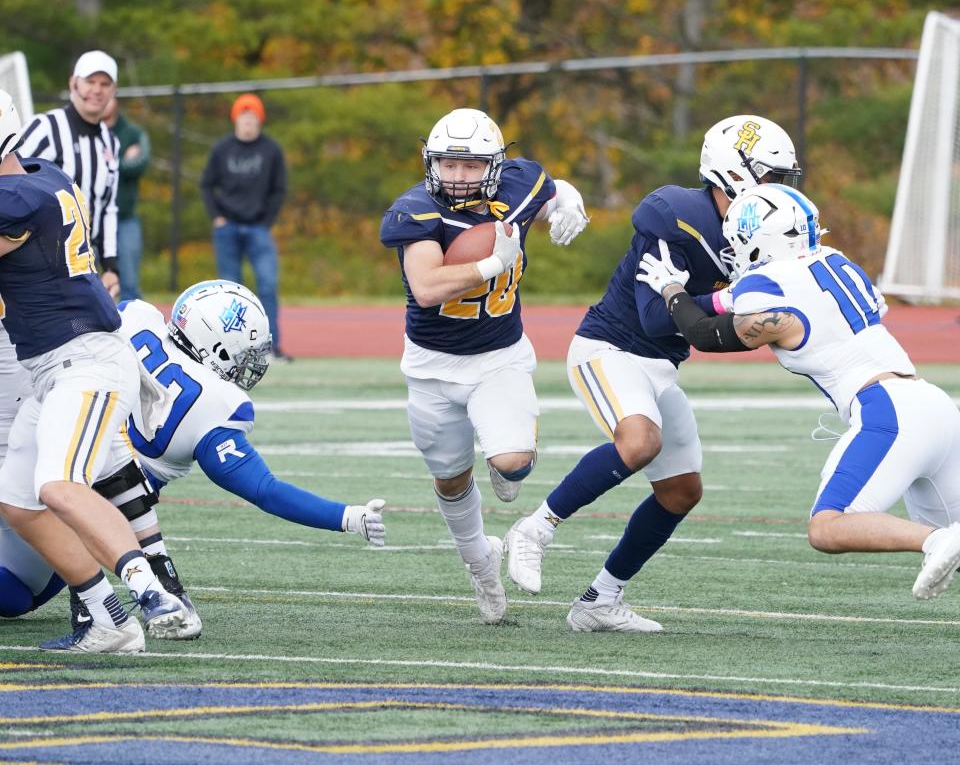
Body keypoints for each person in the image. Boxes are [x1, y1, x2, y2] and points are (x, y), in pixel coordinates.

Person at [504, 114, 803, 632]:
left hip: (660, 367)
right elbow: (654, 317)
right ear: (735, 174)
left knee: (682, 490)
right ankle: (536, 528)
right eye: (770, 177)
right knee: (640, 442)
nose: (778, 190)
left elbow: (718, 331)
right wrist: (727, 311)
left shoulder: (762, 230)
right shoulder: (675, 215)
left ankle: (600, 600)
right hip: (609, 349)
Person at [0, 280, 388, 633]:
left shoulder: (136, 317)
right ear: (218, 345)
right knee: (19, 595)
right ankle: (101, 606)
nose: (248, 365)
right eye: (245, 353)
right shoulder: (216, 404)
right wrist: (346, 516)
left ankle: (112, 602)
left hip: (43, 461)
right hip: (80, 516)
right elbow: (265, 490)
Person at [636, 184, 960, 599]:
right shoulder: (838, 261)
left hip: (888, 413)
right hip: (934, 404)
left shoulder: (765, 285)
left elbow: (703, 333)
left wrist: (668, 289)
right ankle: (938, 540)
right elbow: (724, 302)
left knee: (829, 526)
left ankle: (933, 541)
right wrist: (685, 295)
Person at [379, 108, 590, 624]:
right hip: (431, 366)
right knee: (451, 481)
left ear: (494, 165)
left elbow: (551, 187)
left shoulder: (519, 182)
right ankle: (480, 564)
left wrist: (570, 203)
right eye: (448, 164)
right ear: (431, 163)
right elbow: (427, 288)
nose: (457, 176)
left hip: (499, 355)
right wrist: (493, 263)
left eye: (470, 165)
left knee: (513, 462)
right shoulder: (415, 210)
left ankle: (504, 457)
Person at [0, 89, 190, 653]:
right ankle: (106, 618)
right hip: (56, 368)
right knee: (18, 501)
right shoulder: (43, 176)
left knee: (58, 484)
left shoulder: (14, 201)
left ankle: (150, 591)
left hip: (84, 361)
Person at [17, 50, 121, 299]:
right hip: (37, 255)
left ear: (113, 91)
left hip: (82, 258)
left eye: (105, 84)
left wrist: (111, 266)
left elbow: (107, 207)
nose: (97, 90)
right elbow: (10, 178)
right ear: (73, 83)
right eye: (90, 82)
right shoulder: (46, 127)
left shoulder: (111, 143)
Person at [201, 93, 289, 359]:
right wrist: (217, 216)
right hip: (227, 228)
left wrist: (266, 221)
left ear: (259, 121)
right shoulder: (222, 149)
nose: (248, 123)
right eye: (244, 118)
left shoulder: (271, 150)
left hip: (258, 228)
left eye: (253, 118)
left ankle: (269, 346)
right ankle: (233, 347)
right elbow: (206, 184)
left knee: (267, 285)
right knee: (231, 290)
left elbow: (279, 188)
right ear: (236, 120)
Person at [103, 97, 150, 301]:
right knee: (85, 281)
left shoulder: (133, 133)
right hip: (90, 220)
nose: (100, 95)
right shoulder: (86, 132)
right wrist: (121, 160)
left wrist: (113, 162)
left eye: (105, 87)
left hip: (125, 218)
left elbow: (140, 163)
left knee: (129, 282)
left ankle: (133, 329)